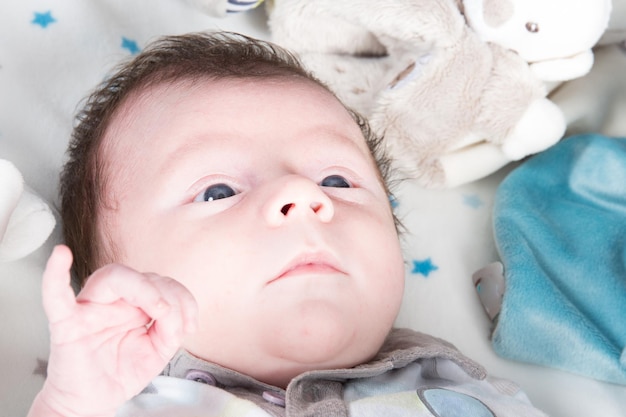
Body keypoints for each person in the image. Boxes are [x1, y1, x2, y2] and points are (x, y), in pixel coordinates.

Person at [28, 31, 546, 417]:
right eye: (218, 191)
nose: (303, 195)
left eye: (337, 181)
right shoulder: (119, 402)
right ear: (124, 290)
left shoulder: (463, 389)